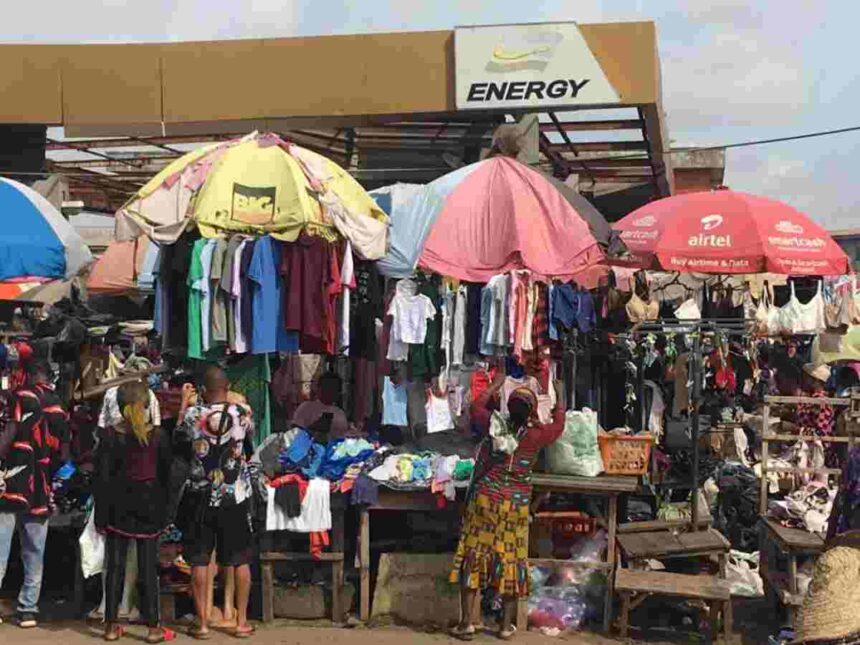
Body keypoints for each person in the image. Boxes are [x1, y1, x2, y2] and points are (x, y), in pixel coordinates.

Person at [449, 371, 564, 640]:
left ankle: (467, 622)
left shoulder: (493, 424)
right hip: (515, 505)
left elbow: (476, 405)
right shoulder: (536, 436)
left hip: (484, 501)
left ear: (508, 407)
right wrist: (561, 393)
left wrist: (496, 383)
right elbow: (559, 424)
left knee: (473, 557)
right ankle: (504, 626)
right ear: (533, 412)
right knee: (511, 560)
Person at [175, 366, 255, 640]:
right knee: (240, 560)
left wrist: (185, 403)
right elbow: (249, 437)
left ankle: (203, 623)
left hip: (201, 494)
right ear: (228, 386)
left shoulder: (194, 415)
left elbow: (179, 438)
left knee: (199, 559)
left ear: (203, 390)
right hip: (235, 497)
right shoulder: (242, 413)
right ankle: (241, 622)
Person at [93, 380, 175, 643]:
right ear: (148, 403)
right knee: (148, 566)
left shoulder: (109, 436)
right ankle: (153, 628)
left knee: (115, 565)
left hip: (118, 505)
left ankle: (111, 626)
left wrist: (100, 516)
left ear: (117, 405)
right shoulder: (159, 436)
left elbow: (102, 479)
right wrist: (165, 510)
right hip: (150, 506)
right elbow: (166, 476)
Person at [0, 359, 69, 629]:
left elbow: (7, 438)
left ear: (24, 374)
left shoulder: (18, 398)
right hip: (41, 486)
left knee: (0, 552)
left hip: (12, 485)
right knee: (34, 552)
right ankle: (28, 610)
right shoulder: (56, 403)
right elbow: (64, 451)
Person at [292, 372, 350, 439]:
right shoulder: (306, 408)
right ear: (319, 388)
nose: (330, 391)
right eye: (327, 387)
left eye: (334, 388)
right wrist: (313, 428)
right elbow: (294, 432)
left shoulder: (340, 413)